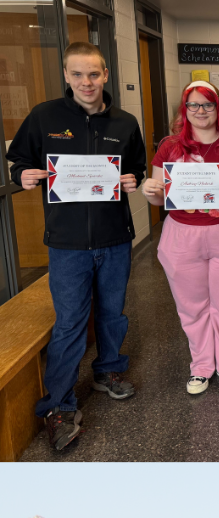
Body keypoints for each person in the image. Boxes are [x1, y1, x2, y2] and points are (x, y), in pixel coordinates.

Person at [6, 41, 146, 450]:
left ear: (105, 75)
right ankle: (59, 405)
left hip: (114, 238)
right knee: (69, 322)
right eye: (78, 74)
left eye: (94, 74)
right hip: (66, 243)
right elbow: (18, 160)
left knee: (112, 312)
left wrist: (133, 179)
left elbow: (136, 167)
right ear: (67, 76)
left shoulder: (125, 122)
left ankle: (107, 369)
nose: (87, 82)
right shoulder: (44, 116)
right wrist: (22, 175)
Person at [141, 81, 219, 396]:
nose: (200, 110)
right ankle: (202, 365)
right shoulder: (169, 147)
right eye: (193, 104)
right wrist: (149, 191)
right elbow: (159, 197)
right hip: (182, 234)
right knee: (191, 305)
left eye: (207, 104)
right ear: (185, 109)